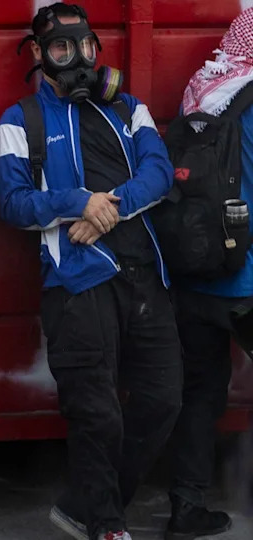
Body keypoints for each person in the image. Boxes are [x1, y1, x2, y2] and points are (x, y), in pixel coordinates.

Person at [0, 4, 181, 540]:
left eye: (86, 46)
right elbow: (14, 202)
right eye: (60, 48)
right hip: (76, 284)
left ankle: (84, 504)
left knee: (163, 399)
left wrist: (110, 208)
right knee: (97, 415)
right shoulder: (17, 121)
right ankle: (106, 525)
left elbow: (159, 172)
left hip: (147, 278)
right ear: (37, 54)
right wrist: (79, 201)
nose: (77, 58)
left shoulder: (130, 107)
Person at [163, 10, 253, 539]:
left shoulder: (200, 92)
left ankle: (186, 506)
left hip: (195, 274)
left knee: (200, 392)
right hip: (245, 279)